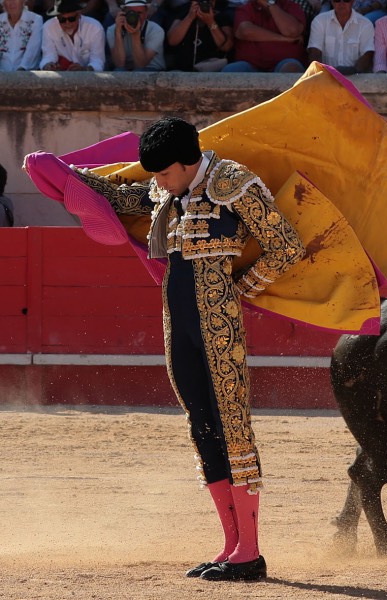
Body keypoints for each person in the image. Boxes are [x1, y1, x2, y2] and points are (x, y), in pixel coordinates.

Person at [26, 117, 305, 581]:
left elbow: (286, 246)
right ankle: (231, 545)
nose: (158, 182)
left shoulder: (234, 183)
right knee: (201, 425)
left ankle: (250, 552)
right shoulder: (165, 191)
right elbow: (119, 197)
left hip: (218, 327)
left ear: (188, 162)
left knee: (231, 426)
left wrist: (239, 289)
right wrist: (63, 174)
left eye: (164, 173)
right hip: (177, 324)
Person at [222, 0, 306, 73]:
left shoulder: (291, 6)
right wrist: (285, 39)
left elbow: (291, 31)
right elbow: (245, 32)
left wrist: (270, 4)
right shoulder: (246, 8)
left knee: (292, 68)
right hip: (250, 66)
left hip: (284, 63)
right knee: (230, 71)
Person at [307, 0, 375, 75]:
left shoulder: (365, 24)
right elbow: (314, 53)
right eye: (337, 0)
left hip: (356, 77)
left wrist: (351, 73)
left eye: (346, 0)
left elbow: (367, 55)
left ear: (353, 1)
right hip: (326, 77)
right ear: (332, 2)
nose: (341, 3)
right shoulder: (319, 21)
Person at [166, 0, 233, 72]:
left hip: (211, 70)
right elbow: (172, 41)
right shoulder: (184, 13)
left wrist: (211, 22)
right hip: (183, 70)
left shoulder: (221, 16)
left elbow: (226, 46)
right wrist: (189, 18)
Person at [40, 0, 106, 71]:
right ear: (57, 17)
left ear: (79, 14)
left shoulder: (95, 28)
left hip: (90, 75)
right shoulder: (48, 27)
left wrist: (84, 70)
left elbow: (98, 61)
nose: (67, 23)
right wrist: (49, 66)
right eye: (62, 20)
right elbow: (48, 56)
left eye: (71, 19)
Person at [106, 0, 167, 71]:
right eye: (131, 13)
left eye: (139, 13)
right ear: (123, 13)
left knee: (139, 71)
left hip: (152, 69)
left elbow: (140, 64)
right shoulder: (112, 30)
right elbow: (119, 64)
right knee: (118, 70)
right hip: (126, 70)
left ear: (146, 14)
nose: (135, 17)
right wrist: (118, 32)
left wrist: (135, 35)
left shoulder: (156, 30)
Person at [0, 0, 44, 71]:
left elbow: (33, 50)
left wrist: (21, 71)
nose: (12, 3)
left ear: (23, 1)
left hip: (27, 74)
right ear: (3, 3)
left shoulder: (35, 20)